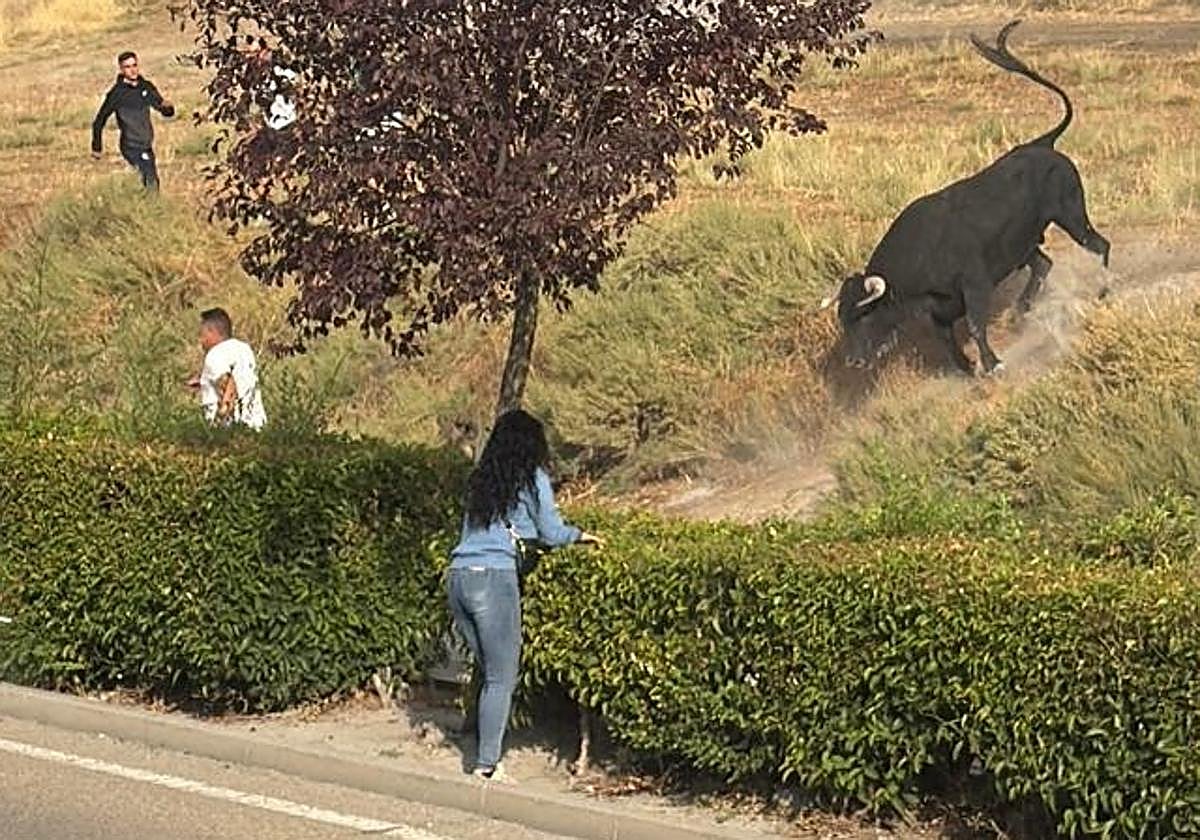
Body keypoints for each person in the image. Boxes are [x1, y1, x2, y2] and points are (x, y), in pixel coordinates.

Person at [448, 410, 602, 780]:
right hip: (494, 580)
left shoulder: (481, 481)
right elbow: (550, 531)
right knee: (502, 676)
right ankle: (486, 766)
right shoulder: (532, 479)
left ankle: (479, 744)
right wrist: (579, 536)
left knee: (487, 671)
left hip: (458, 577)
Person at [91, 51, 175, 191]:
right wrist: (97, 147)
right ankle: (150, 209)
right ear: (121, 69)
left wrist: (169, 108)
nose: (133, 70)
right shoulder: (117, 93)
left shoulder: (146, 87)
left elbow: (163, 109)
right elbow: (99, 120)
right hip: (131, 145)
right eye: (128, 67)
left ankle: (139, 203)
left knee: (149, 180)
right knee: (150, 181)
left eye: (134, 65)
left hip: (146, 143)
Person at [187, 308, 267, 430]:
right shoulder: (244, 349)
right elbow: (239, 376)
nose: (201, 341)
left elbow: (229, 386)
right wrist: (203, 381)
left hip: (232, 431)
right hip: (257, 426)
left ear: (212, 332)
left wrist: (220, 423)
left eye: (202, 335)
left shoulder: (215, 354)